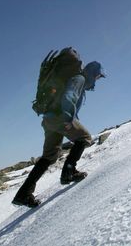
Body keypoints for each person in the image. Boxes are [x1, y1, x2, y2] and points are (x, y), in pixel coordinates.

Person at [12, 54, 106, 208]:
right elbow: (69, 96)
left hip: (49, 120)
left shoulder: (78, 80)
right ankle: (69, 172)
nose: (97, 80)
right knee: (85, 138)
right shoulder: (80, 79)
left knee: (49, 156)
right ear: (93, 73)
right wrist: (68, 118)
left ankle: (23, 194)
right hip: (60, 117)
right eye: (98, 76)